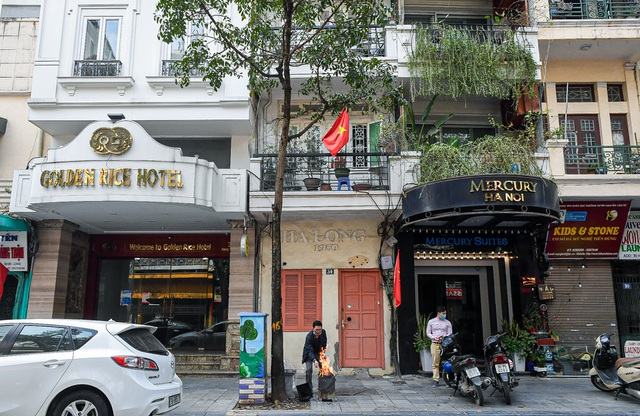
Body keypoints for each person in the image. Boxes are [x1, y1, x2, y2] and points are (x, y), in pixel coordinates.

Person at [426, 305, 452, 387]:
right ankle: (436, 379)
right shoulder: (431, 322)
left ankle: (448, 379)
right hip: (435, 343)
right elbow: (428, 333)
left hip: (445, 344)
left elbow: (450, 334)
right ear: (439, 313)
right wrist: (434, 337)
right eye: (443, 313)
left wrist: (444, 337)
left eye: (445, 313)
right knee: (435, 362)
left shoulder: (447, 323)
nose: (445, 315)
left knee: (447, 362)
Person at [301, 320, 327, 395]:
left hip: (318, 352)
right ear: (313, 329)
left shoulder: (323, 332)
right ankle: (309, 388)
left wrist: (323, 353)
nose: (319, 331)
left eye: (320, 329)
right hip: (309, 354)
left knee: (323, 367)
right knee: (309, 370)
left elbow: (324, 343)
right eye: (317, 330)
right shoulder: (309, 336)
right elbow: (309, 350)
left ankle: (322, 386)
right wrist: (314, 360)